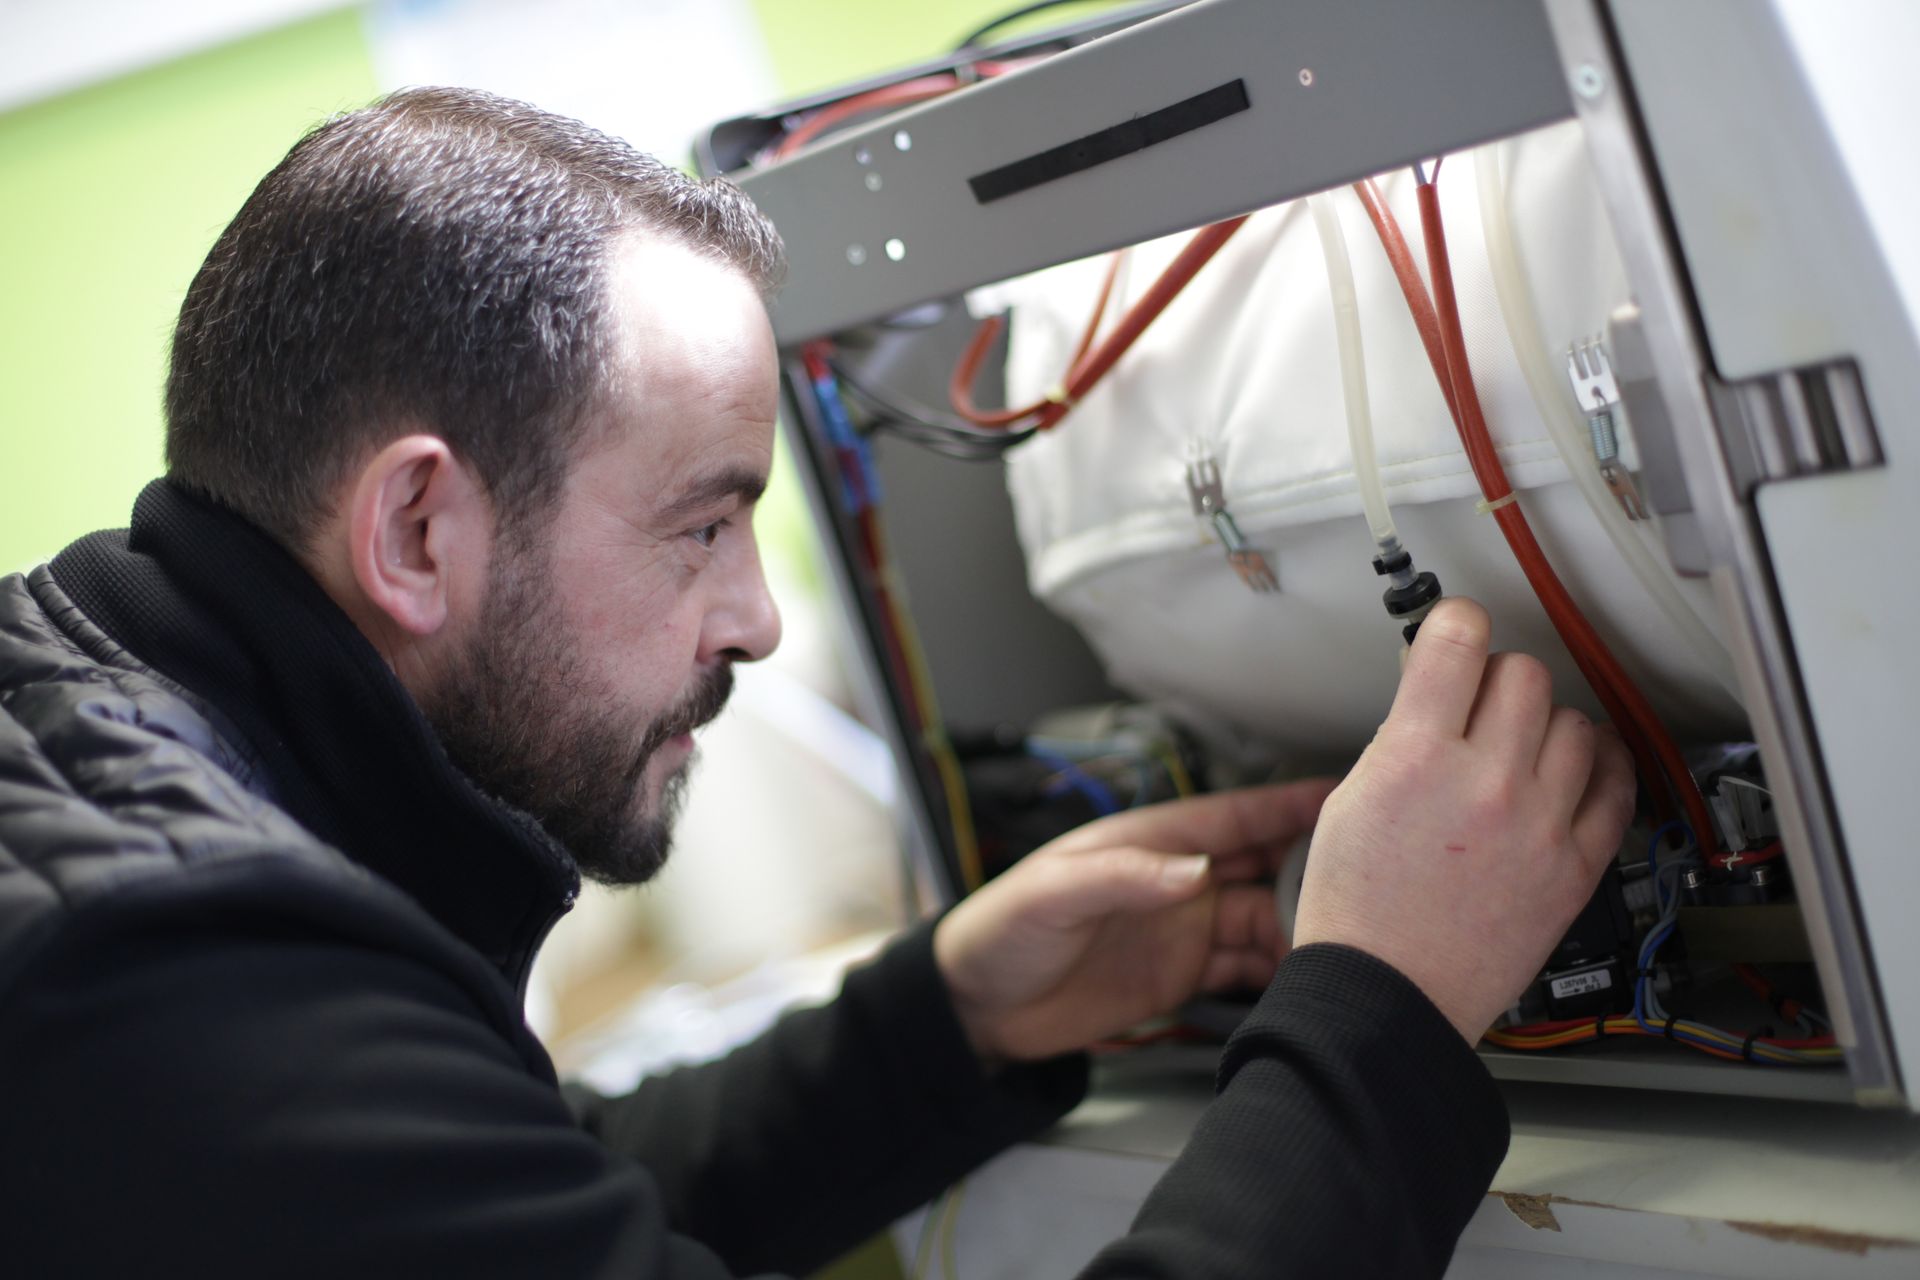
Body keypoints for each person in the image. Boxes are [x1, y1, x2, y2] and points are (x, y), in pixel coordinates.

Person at [0, 88, 1635, 1278]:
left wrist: (944, 1021)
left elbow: (514, 1207)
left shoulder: (116, 763)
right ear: (419, 525)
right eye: (702, 522)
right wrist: (1388, 1010)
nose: (759, 622)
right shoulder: (174, 979)